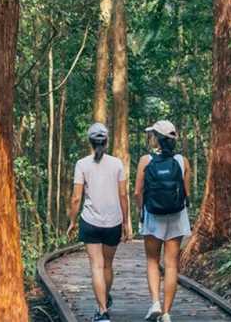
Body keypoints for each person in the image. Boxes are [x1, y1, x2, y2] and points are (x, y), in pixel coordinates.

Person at [67, 122, 130, 322]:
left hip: (90, 221)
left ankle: (102, 311)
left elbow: (76, 198)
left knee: (96, 266)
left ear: (90, 142)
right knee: (107, 266)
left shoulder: (82, 164)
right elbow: (123, 195)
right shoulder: (117, 163)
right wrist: (126, 222)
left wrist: (72, 221)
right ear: (107, 141)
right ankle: (104, 299)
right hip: (113, 222)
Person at [134, 120, 192, 322]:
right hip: (176, 217)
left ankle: (155, 304)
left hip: (153, 216)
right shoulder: (182, 161)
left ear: (157, 138)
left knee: (152, 260)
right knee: (171, 264)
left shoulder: (145, 160)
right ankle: (166, 313)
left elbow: (137, 192)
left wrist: (141, 210)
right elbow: (187, 192)